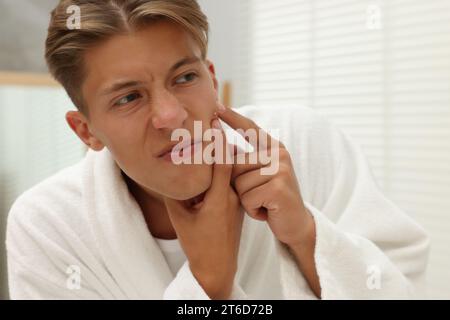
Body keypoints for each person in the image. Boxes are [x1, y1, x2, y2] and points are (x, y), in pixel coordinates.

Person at [6, 0, 429, 300]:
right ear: (86, 131)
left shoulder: (304, 143)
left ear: (211, 77)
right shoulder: (50, 224)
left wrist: (306, 235)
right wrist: (208, 281)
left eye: (185, 78)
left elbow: (404, 288)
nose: (170, 116)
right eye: (129, 98)